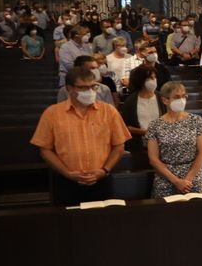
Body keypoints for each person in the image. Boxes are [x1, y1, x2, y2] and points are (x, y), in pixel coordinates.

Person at [30, 65, 130, 205]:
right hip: (66, 181)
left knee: (103, 222)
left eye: (93, 86)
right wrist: (66, 173)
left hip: (101, 179)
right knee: (68, 223)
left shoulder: (109, 111)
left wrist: (104, 170)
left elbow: (119, 146)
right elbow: (45, 149)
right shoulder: (52, 113)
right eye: (82, 88)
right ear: (69, 88)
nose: (89, 91)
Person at [144, 82, 202, 198]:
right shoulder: (155, 125)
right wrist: (176, 181)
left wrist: (187, 180)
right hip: (166, 176)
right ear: (165, 100)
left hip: (193, 175)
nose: (182, 100)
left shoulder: (196, 120)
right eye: (177, 97)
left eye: (184, 96)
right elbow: (153, 159)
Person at [120, 65, 165, 154]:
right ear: (141, 80)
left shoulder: (162, 98)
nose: (153, 80)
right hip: (139, 146)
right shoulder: (130, 101)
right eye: (150, 78)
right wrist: (144, 131)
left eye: (154, 77)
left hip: (162, 145)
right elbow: (125, 126)